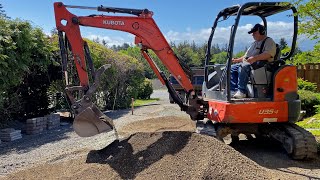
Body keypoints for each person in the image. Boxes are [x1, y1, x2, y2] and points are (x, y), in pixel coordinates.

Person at [231, 23, 277, 99]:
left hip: (263, 66)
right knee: (232, 68)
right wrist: (237, 60)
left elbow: (268, 54)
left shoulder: (269, 41)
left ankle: (241, 91)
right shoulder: (254, 44)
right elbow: (246, 56)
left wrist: (255, 58)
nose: (253, 35)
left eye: (254, 33)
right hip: (252, 64)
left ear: (262, 32)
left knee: (244, 66)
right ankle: (233, 90)